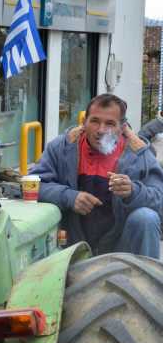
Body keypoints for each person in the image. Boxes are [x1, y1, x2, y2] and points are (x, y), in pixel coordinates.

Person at [31, 93, 163, 259]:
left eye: (110, 123)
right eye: (94, 121)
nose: (101, 130)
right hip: (72, 245)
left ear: (122, 128)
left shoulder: (139, 154)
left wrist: (133, 192)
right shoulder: (62, 147)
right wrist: (69, 197)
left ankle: (144, 283)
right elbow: (33, 186)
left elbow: (160, 200)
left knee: (146, 218)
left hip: (120, 247)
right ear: (84, 122)